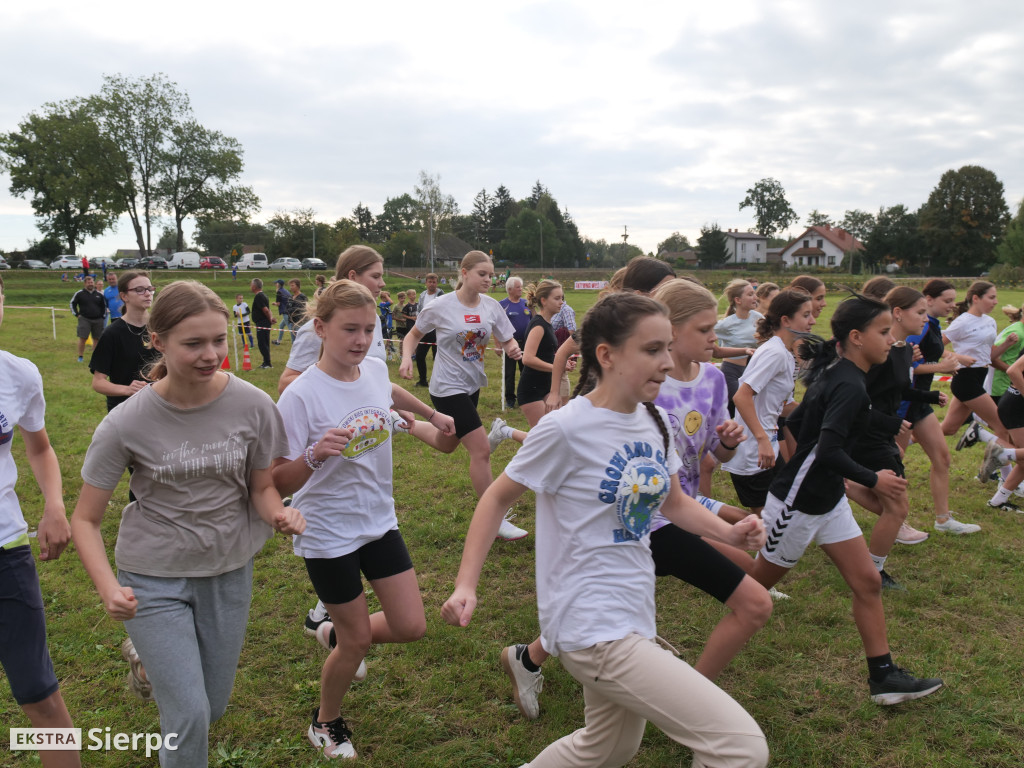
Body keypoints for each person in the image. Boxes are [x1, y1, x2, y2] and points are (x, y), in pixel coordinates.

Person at [442, 292, 769, 768]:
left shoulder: (653, 419)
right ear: (607, 355)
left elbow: (675, 503)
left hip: (633, 608)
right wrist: (466, 584)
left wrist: (730, 533)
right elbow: (497, 497)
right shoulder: (567, 429)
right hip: (589, 622)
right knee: (739, 747)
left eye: (668, 347)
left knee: (609, 747)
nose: (666, 361)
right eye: (652, 349)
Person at [71, 281, 306, 767]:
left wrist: (277, 513)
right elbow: (86, 520)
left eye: (219, 340)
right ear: (158, 341)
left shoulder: (253, 405)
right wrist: (108, 589)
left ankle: (147, 662)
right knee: (190, 716)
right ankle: (153, 654)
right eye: (194, 343)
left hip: (227, 569)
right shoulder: (126, 422)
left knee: (211, 708)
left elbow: (261, 486)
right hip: (152, 575)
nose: (211, 354)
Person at [273, 280, 455, 759]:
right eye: (349, 329)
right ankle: (325, 721)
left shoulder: (371, 368)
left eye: (369, 329)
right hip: (327, 532)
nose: (360, 339)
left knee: (411, 625)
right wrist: (313, 455)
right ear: (320, 328)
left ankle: (333, 632)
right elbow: (274, 480)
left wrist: (430, 416)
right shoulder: (300, 396)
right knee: (356, 644)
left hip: (379, 521)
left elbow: (388, 391)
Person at [749, 294, 944, 705]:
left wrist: (888, 422)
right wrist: (874, 478)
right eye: (883, 332)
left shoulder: (849, 375)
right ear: (856, 337)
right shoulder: (848, 381)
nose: (891, 340)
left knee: (868, 583)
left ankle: (884, 677)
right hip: (799, 503)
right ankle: (695, 559)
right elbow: (826, 451)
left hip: (830, 500)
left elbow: (808, 418)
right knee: (751, 590)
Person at [0, 275, 82, 768]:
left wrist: (54, 505)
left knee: (40, 692)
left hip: (7, 550)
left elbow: (41, 447)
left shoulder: (18, 375)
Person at [400, 251, 526, 538]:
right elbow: (413, 335)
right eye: (483, 274)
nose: (488, 280)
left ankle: (401, 423)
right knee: (480, 450)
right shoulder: (441, 306)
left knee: (446, 443)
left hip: (471, 386)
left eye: (492, 275)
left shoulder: (492, 307)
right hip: (446, 388)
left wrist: (512, 349)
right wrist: (407, 357)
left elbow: (506, 339)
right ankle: (494, 519)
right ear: (464, 272)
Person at [843, 287, 945, 590]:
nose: (926, 320)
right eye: (920, 312)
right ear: (897, 313)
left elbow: (896, 389)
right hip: (867, 434)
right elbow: (860, 399)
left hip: (883, 432)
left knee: (894, 503)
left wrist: (927, 394)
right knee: (897, 507)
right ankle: (873, 571)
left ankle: (844, 485)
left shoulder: (901, 349)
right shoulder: (879, 352)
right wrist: (891, 421)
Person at [896, 279, 981, 534]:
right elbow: (902, 368)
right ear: (928, 299)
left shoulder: (930, 325)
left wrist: (934, 390)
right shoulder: (917, 328)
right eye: (946, 300)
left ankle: (943, 520)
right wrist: (941, 368)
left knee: (942, 458)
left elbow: (926, 359)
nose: (951, 305)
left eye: (953, 300)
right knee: (895, 465)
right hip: (903, 403)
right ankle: (896, 522)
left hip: (921, 402)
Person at [722, 289, 815, 514]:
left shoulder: (783, 353)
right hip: (754, 451)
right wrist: (762, 439)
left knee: (780, 512)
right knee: (764, 522)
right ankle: (709, 523)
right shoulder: (774, 353)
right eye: (806, 315)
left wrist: (817, 412)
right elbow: (741, 396)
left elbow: (781, 406)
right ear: (786, 320)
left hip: (767, 445)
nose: (812, 321)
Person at [939, 281, 1012, 457]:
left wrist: (1008, 344)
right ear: (976, 298)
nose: (995, 302)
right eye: (991, 297)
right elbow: (934, 346)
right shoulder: (962, 322)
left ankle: (904, 437)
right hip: (966, 379)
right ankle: (1006, 480)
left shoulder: (990, 321)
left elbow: (990, 355)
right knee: (1002, 426)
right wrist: (958, 357)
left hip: (980, 376)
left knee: (948, 429)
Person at [89, 271, 159, 412]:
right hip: (125, 410)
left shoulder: (161, 328)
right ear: (124, 296)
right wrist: (127, 389)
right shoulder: (112, 334)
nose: (147, 294)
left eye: (150, 289)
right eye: (139, 290)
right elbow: (98, 382)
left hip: (159, 406)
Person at [515, 280, 563, 428]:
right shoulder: (539, 325)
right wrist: (556, 367)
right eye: (557, 298)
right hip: (531, 390)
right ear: (544, 300)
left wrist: (562, 363)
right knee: (542, 438)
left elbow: (545, 354)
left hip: (545, 387)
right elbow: (528, 359)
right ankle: (504, 431)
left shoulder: (547, 324)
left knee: (556, 431)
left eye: (562, 298)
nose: (561, 302)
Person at [713, 279, 763, 415]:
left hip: (750, 371)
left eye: (754, 293)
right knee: (741, 410)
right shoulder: (726, 324)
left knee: (754, 409)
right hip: (731, 372)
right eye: (750, 294)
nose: (755, 297)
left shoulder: (758, 318)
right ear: (738, 300)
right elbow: (704, 333)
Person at [499, 277, 530, 408]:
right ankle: (510, 399)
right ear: (510, 289)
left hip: (527, 344)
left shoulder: (526, 303)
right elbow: (497, 326)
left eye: (521, 287)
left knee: (526, 372)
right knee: (509, 373)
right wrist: (497, 345)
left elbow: (534, 319)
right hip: (510, 344)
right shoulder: (502, 305)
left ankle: (525, 397)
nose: (521, 289)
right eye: (518, 287)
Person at [415, 273, 445, 386]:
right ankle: (423, 380)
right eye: (430, 282)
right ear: (426, 282)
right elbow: (419, 310)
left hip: (438, 330)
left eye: (434, 282)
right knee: (419, 356)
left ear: (437, 283)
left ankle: (440, 382)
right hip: (424, 330)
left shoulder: (441, 294)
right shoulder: (422, 295)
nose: (432, 284)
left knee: (438, 357)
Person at [70, 274, 106, 363]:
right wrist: (77, 314)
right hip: (84, 319)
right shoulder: (79, 293)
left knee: (97, 339)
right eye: (89, 282)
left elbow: (104, 306)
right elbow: (72, 304)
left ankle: (95, 357)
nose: (91, 284)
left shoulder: (99, 294)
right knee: (83, 338)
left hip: (98, 320)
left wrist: (102, 316)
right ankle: (80, 356)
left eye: (92, 282)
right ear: (85, 284)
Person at [251, 278, 273, 368]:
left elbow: (266, 310)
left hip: (262, 323)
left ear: (254, 286)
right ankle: (266, 362)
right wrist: (271, 318)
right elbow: (268, 309)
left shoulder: (259, 296)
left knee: (262, 343)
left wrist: (270, 319)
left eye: (251, 285)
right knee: (265, 342)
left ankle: (267, 363)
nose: (250, 286)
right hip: (263, 322)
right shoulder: (264, 295)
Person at [273, 279, 292, 345]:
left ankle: (295, 342)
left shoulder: (279, 292)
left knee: (290, 328)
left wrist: (274, 304)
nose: (275, 284)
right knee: (281, 325)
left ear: (278, 284)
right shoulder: (286, 291)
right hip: (290, 310)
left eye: (276, 283)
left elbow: (278, 304)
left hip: (285, 312)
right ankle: (278, 341)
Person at [378, 290, 394, 360]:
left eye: (388, 297)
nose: (387, 298)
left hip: (389, 323)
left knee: (389, 340)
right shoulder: (382, 304)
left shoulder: (387, 304)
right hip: (385, 324)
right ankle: (383, 353)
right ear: (382, 298)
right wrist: (386, 296)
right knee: (386, 339)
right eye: (385, 297)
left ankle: (389, 354)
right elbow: (391, 302)